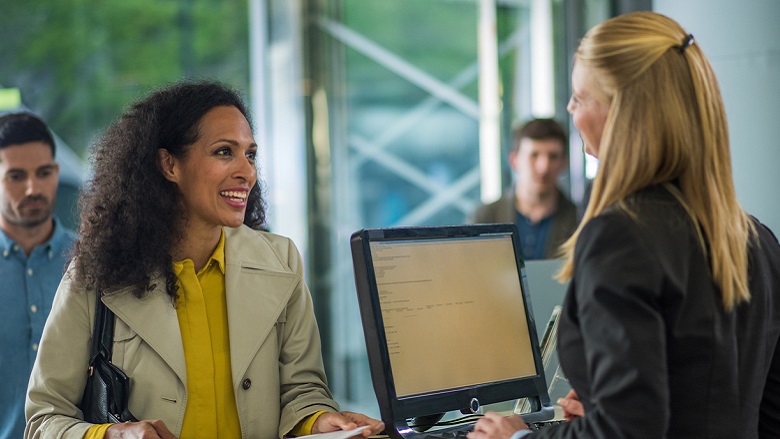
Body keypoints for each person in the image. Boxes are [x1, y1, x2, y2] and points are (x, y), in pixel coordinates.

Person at [468, 11, 780, 439]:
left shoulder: (620, 237)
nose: (570, 110)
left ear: (622, 112)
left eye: (580, 98)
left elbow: (628, 429)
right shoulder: (755, 237)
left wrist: (520, 436)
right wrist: (601, 411)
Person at [25, 81, 384, 439]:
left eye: (250, 154)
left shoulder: (282, 261)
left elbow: (302, 393)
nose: (247, 172)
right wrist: (111, 435)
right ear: (169, 164)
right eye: (224, 152)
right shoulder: (96, 274)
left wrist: (320, 421)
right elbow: (43, 420)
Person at [0, 112, 77, 439]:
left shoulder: (91, 261)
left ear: (56, 173)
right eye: (16, 176)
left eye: (43, 173)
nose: (33, 188)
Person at [469, 118, 578, 260]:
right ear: (514, 160)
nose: (543, 167)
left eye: (553, 156)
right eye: (534, 155)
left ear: (564, 162)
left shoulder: (579, 220)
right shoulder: (485, 218)